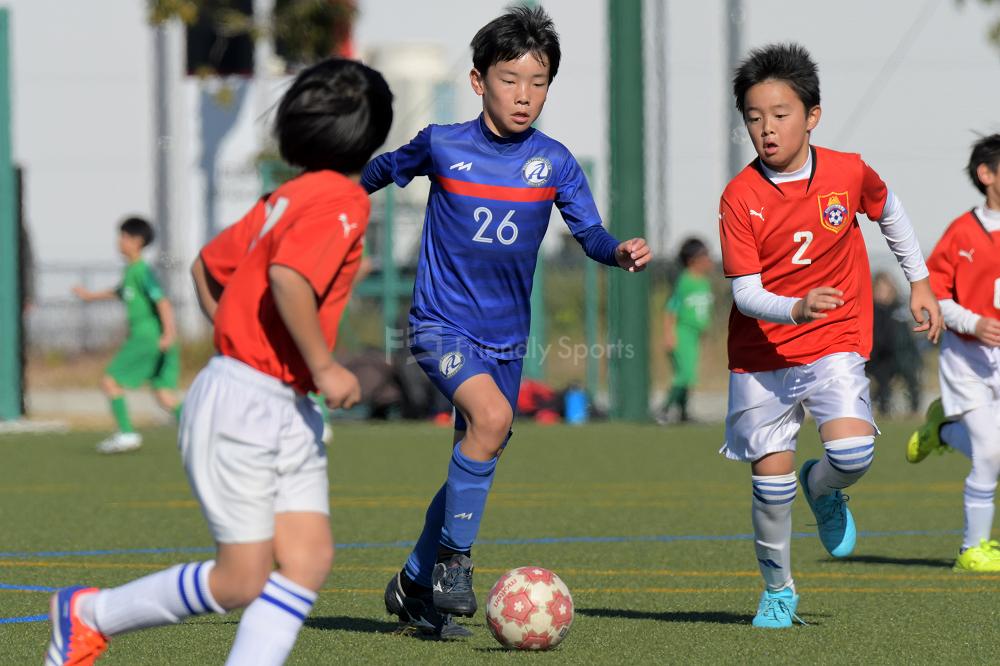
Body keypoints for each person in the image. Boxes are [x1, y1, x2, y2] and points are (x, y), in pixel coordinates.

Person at [45, 57, 392, 665]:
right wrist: (322, 366)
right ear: (375, 133)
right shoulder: (344, 199)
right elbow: (288, 279)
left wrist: (239, 337)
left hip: (276, 401)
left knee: (308, 559)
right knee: (240, 579)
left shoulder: (285, 197)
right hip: (248, 403)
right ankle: (88, 615)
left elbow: (208, 265)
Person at [362, 6, 650, 638]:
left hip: (506, 341)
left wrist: (618, 251)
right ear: (478, 81)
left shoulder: (556, 162)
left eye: (538, 82)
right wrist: (331, 202)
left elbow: (591, 233)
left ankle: (414, 584)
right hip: (439, 324)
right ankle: (453, 565)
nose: (524, 95)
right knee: (491, 421)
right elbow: (380, 171)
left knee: (480, 447)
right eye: (510, 79)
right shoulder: (442, 144)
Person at [717, 43, 941, 629]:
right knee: (770, 488)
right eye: (754, 117)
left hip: (834, 338)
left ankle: (822, 488)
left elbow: (890, 211)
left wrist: (919, 281)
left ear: (812, 115)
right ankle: (778, 592)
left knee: (851, 453)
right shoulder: (740, 196)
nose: (767, 129)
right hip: (760, 355)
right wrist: (795, 307)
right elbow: (746, 293)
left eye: (780, 114)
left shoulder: (847, 171)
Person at [907, 133, 1000, 572]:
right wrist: (973, 323)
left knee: (994, 452)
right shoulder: (962, 232)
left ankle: (942, 431)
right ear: (986, 175)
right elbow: (936, 297)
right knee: (990, 453)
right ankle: (971, 550)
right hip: (967, 359)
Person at [71, 216, 181, 454]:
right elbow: (119, 292)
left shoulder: (142, 271)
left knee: (110, 381)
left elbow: (162, 301)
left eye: (124, 236)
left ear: (137, 241)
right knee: (164, 395)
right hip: (154, 339)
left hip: (147, 338)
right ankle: (203, 430)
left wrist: (168, 333)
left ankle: (127, 434)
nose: (119, 241)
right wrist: (90, 296)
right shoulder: (131, 271)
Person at [658, 237, 714, 424]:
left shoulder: (704, 282)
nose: (708, 260)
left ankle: (683, 413)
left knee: (689, 375)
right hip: (682, 333)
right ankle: (664, 410)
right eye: (704, 256)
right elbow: (671, 308)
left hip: (694, 335)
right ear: (692, 260)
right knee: (684, 375)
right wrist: (669, 334)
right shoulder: (685, 281)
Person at [868, 271, 922, 416]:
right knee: (882, 379)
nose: (882, 293)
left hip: (902, 354)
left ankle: (914, 409)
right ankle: (883, 409)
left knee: (911, 376)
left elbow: (907, 335)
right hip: (880, 356)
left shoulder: (899, 308)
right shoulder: (872, 310)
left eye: (885, 288)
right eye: (879, 289)